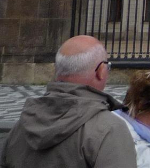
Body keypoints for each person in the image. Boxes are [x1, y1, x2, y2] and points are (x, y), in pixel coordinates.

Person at [0, 35, 135, 168]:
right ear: (100, 71)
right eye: (107, 66)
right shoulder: (109, 129)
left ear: (57, 70)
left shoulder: (23, 124)